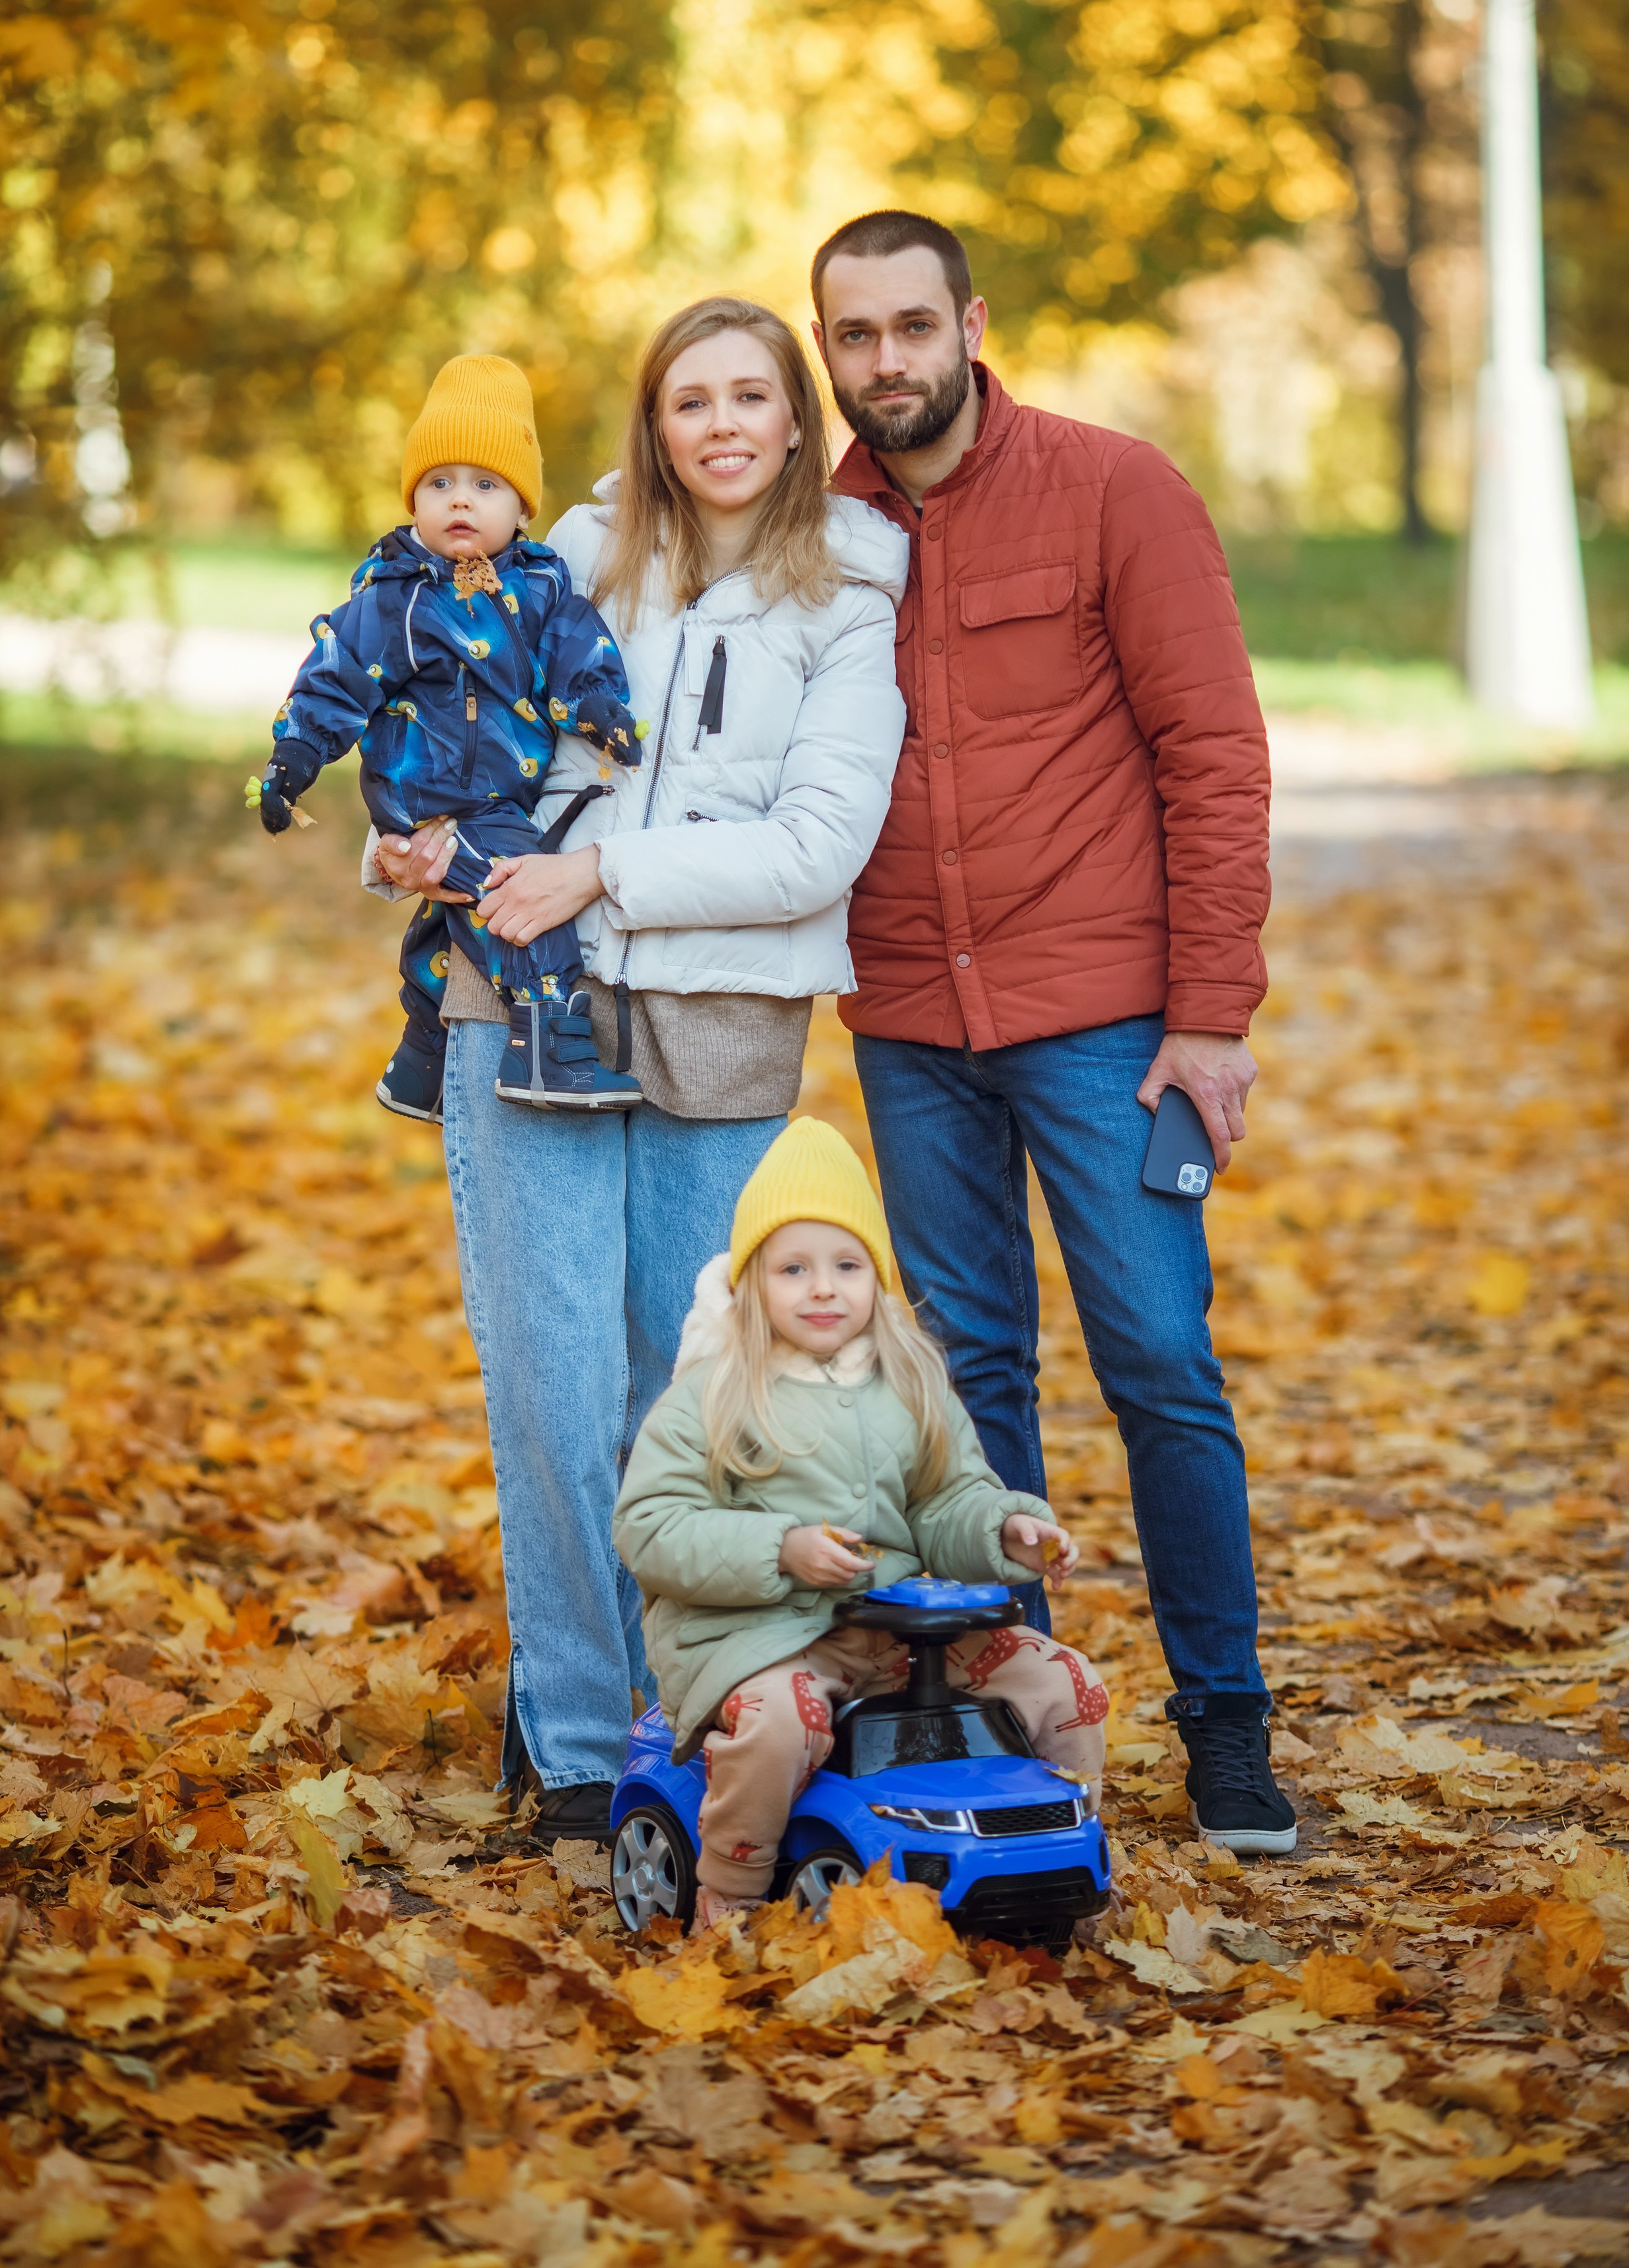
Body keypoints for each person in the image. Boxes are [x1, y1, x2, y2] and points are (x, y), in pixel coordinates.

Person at [364, 298, 909, 1843]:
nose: (721, 425)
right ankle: (577, 1731)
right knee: (553, 1379)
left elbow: (816, 845)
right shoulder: (571, 555)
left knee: (699, 1390)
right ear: (653, 427)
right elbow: (454, 726)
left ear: (795, 421)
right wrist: (405, 838)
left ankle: (701, 1707)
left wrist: (603, 873)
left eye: (750, 396)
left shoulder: (852, 591)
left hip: (720, 1022)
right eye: (690, 401)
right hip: (525, 994)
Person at [810, 209, 1296, 1857]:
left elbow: (1212, 754)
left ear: (968, 324)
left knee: (1158, 1361)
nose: (884, 361)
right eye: (853, 335)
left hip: (1105, 1025)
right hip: (908, 1022)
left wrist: (1209, 1015)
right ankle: (1022, 1720)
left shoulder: (1112, 489)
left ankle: (1223, 1723)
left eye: (909, 326)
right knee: (968, 1379)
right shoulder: (819, 533)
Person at [613, 1117, 1108, 1930]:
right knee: (782, 1724)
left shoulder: (908, 1382)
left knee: (1064, 1681)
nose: (822, 1289)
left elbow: (946, 1498)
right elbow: (650, 1527)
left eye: (846, 1266)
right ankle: (731, 1893)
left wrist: (1003, 1531)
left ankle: (1061, 1854)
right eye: (793, 1268)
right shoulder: (710, 1394)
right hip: (753, 1637)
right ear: (750, 1283)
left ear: (876, 1278)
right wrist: (781, 1550)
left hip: (896, 1632)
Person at [247, 353, 646, 1122]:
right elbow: (336, 677)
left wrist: (600, 710)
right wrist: (293, 757)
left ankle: (421, 1061)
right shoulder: (397, 596)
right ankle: (548, 1045)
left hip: (500, 792)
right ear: (414, 500)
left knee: (452, 916)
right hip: (431, 791)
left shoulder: (542, 585)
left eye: (485, 485)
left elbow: (577, 654)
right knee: (518, 896)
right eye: (440, 483)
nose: (460, 499)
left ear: (522, 509)